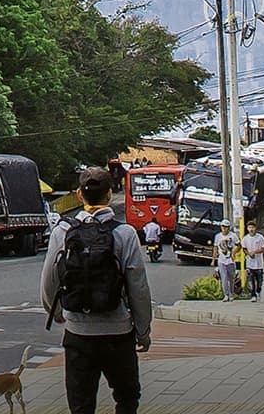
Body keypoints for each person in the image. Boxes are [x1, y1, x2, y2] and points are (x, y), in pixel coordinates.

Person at [41, 166, 153, 414]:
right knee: (126, 398)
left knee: (81, 404)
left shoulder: (62, 231)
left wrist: (59, 313)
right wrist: (143, 331)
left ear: (79, 195)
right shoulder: (125, 233)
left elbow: (49, 281)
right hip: (118, 333)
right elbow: (138, 288)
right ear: (109, 194)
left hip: (78, 333)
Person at [243, 222, 264, 301]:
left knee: (259, 281)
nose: (251, 229)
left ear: (255, 228)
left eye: (252, 227)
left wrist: (255, 252)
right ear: (247, 229)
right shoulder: (245, 238)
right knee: (251, 280)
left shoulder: (260, 237)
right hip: (249, 263)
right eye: (249, 227)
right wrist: (249, 254)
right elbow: (244, 249)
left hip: (259, 263)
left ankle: (258, 290)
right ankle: (253, 295)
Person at [214, 224, 240, 301]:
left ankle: (231, 293)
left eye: (226, 227)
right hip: (221, 260)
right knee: (224, 278)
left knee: (231, 278)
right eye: (223, 227)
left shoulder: (233, 235)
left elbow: (239, 245)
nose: (224, 228)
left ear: (228, 228)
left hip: (230, 261)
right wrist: (214, 258)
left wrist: (234, 253)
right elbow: (215, 247)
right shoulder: (218, 236)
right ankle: (226, 295)